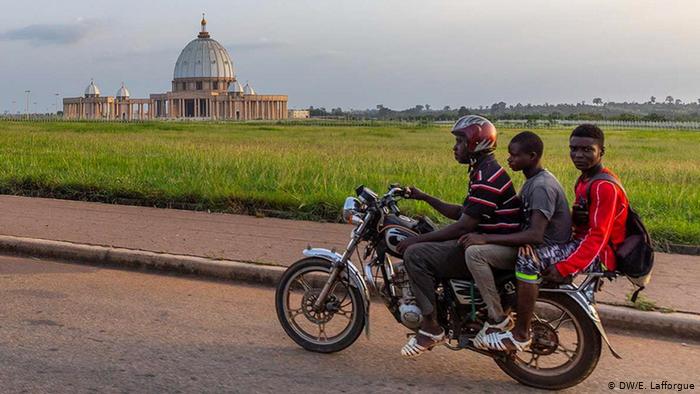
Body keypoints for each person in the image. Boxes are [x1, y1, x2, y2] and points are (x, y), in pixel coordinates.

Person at [479, 124, 629, 352]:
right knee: (525, 251)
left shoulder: (602, 186)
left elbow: (597, 236)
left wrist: (565, 267)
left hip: (600, 253)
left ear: (602, 152)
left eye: (587, 150)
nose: (579, 155)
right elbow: (581, 224)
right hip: (579, 244)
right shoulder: (586, 180)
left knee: (528, 259)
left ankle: (519, 334)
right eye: (574, 149)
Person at [396, 115, 520, 358]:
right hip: (487, 240)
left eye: (461, 141)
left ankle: (431, 328)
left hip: (493, 249)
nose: (455, 147)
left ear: (476, 144)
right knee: (430, 239)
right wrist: (425, 198)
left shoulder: (487, 177)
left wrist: (414, 241)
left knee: (416, 256)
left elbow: (462, 226)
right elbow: (463, 213)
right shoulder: (482, 171)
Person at [458, 131, 572, 349]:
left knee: (475, 253)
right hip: (533, 245)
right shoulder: (532, 181)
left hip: (544, 250)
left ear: (533, 156)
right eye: (509, 154)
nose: (509, 159)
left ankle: (496, 318)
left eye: (515, 155)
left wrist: (484, 237)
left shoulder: (541, 186)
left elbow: (536, 234)